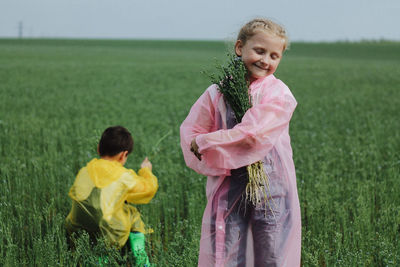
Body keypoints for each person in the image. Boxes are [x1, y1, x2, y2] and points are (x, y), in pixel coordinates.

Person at [180, 18, 301, 266]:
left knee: (272, 250)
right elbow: (193, 129)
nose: (265, 60)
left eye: (274, 56)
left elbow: (252, 134)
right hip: (229, 185)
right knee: (225, 248)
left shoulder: (278, 94)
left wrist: (206, 141)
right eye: (259, 50)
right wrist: (199, 140)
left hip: (272, 187)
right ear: (239, 48)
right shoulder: (218, 92)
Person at [65, 126, 158, 266]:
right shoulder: (123, 176)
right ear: (123, 155)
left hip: (76, 230)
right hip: (108, 234)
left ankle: (89, 256)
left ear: (98, 149)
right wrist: (146, 171)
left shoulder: (84, 171)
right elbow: (148, 189)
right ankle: (140, 260)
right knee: (132, 213)